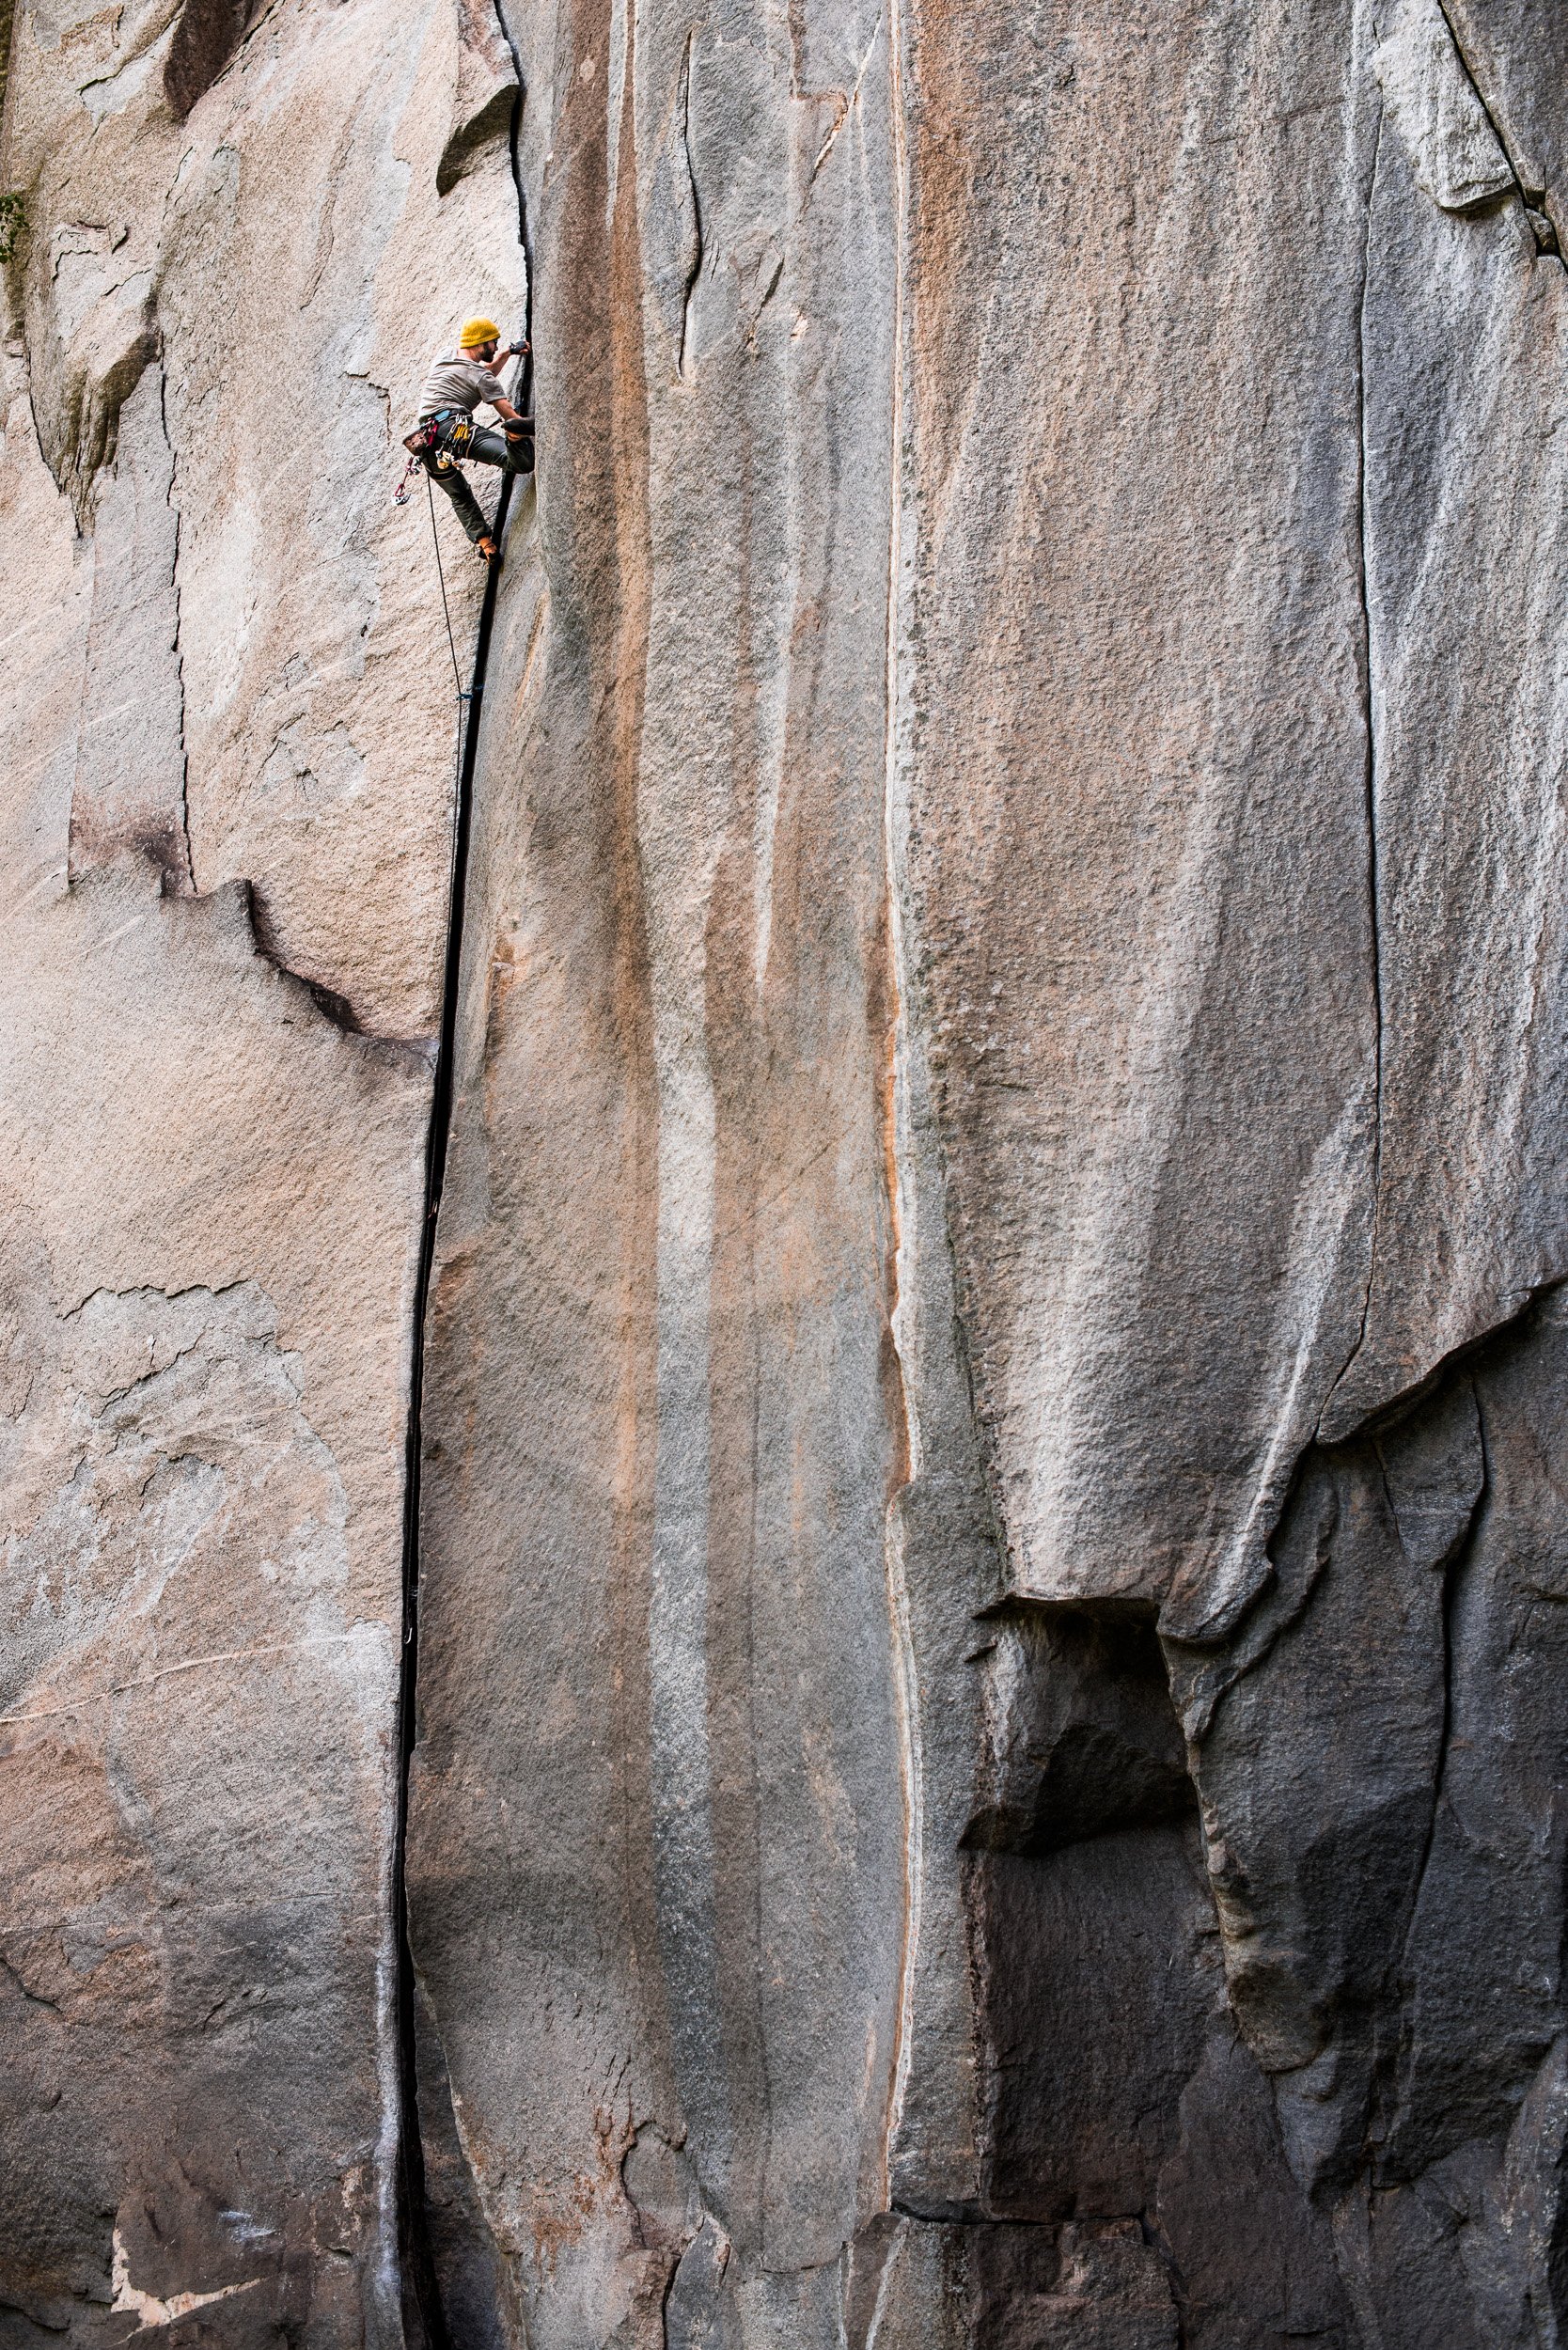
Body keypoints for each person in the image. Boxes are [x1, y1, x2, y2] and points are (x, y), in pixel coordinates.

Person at [412, 317, 533, 561]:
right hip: (453, 429)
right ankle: (513, 438)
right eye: (494, 343)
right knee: (521, 462)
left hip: (425, 440)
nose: (496, 347)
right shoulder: (481, 378)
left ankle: (485, 543)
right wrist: (522, 427)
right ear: (480, 343)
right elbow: (508, 412)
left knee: (458, 494)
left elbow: (476, 374)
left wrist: (508, 352)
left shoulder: (446, 355)